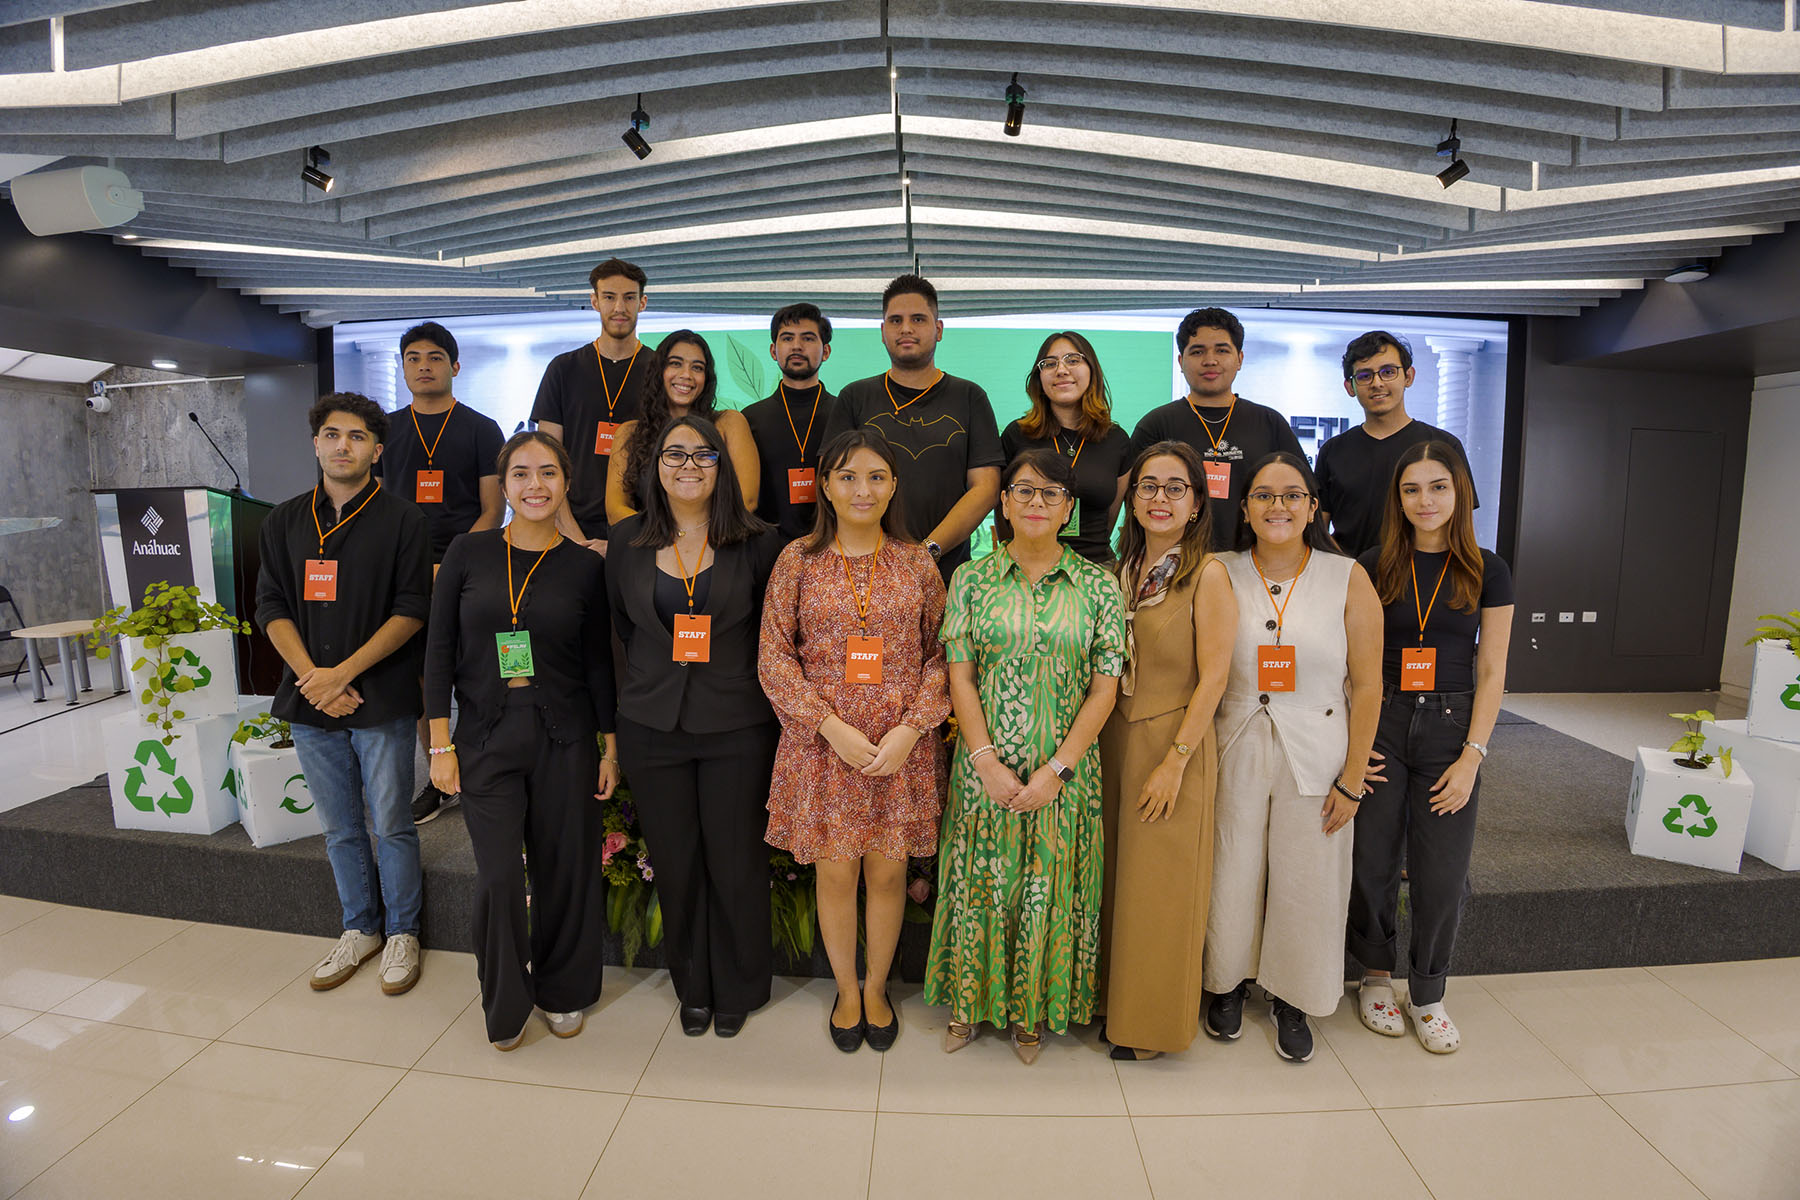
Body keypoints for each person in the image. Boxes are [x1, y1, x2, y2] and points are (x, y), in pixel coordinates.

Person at [926, 449, 1127, 1064]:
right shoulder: (971, 580)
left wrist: (1056, 770)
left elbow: (1105, 688)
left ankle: (1033, 1010)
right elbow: (960, 675)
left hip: (1065, 775)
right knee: (980, 882)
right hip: (984, 768)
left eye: (1051, 493)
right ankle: (968, 1003)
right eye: (1023, 491)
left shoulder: (1098, 585)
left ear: (1069, 509)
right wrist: (985, 761)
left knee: (1048, 886)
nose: (1036, 502)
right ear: (1004, 504)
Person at [423, 431, 619, 1050]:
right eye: (521, 474)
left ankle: (563, 989)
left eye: (548, 473)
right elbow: (438, 651)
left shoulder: (586, 566)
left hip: (565, 737)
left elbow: (598, 664)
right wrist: (439, 744)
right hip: (484, 735)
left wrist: (610, 747)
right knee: (499, 876)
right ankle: (506, 1000)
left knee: (567, 869)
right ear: (504, 485)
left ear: (567, 483)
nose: (536, 485)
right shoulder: (468, 551)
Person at [759, 429, 949, 1053]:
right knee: (836, 876)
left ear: (893, 486)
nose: (861, 489)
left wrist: (911, 728)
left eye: (875, 476)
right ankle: (846, 989)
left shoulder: (917, 563)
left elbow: (944, 655)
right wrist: (828, 726)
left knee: (889, 877)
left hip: (899, 751)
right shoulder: (797, 560)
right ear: (826, 487)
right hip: (823, 748)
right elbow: (773, 658)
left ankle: (876, 988)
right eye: (847, 477)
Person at [606, 414, 784, 1038]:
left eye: (703, 454)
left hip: (736, 727)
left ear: (722, 465)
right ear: (655, 467)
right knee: (676, 862)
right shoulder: (626, 541)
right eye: (674, 454)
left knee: (735, 862)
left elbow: (775, 638)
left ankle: (740, 984)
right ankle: (694, 984)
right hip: (652, 727)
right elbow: (623, 631)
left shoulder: (759, 543)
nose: (688, 465)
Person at [1203, 452, 1382, 1063]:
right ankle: (1226, 982)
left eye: (1291, 495)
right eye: (1263, 495)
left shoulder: (1347, 576)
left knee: (1309, 877)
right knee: (1231, 866)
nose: (1277, 506)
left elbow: (1368, 685)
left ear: (1312, 508)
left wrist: (1353, 778)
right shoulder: (1220, 570)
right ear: (1244, 508)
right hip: (1236, 739)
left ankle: (1293, 996)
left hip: (1319, 748)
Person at [254, 393, 432, 998]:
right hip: (310, 699)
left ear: (376, 451)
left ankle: (403, 931)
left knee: (393, 822)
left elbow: (412, 610)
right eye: (332, 435)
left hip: (379, 696)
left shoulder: (403, 520)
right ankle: (360, 927)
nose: (342, 446)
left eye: (357, 437)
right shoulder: (283, 521)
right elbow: (271, 605)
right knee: (338, 828)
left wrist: (343, 673)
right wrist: (315, 677)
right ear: (316, 444)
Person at [1348, 440, 1513, 1054]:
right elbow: (1352, 661)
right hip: (1384, 721)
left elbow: (1492, 669)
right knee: (1372, 859)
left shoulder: (1488, 569)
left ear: (1460, 491)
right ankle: (1374, 977)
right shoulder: (1372, 565)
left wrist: (1473, 755)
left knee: (1442, 870)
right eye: (1412, 488)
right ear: (1398, 498)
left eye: (1438, 486)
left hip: (1452, 727)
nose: (1425, 500)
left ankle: (1428, 993)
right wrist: (1355, 741)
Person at [1098, 442, 1236, 1060]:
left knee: (1161, 891)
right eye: (1148, 486)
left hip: (1171, 744)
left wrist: (1177, 761)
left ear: (1196, 503)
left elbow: (1216, 677)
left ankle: (1151, 1027)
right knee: (1115, 882)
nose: (1160, 498)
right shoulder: (1118, 571)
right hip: (1113, 739)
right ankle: (1108, 1003)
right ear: (1131, 499)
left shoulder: (1207, 574)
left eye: (1175, 488)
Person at [378, 320, 506, 826]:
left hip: (469, 567)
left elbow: (492, 510)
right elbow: (376, 508)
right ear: (402, 368)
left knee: (476, 671)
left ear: (454, 366)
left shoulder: (481, 428)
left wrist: (450, 565)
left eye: (434, 357)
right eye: (412, 358)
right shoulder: (386, 430)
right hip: (403, 571)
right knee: (419, 678)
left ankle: (483, 766)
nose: (423, 366)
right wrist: (412, 567)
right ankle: (437, 776)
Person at [821, 274, 1003, 580]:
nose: (906, 328)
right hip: (865, 572)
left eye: (918, 319)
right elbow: (835, 482)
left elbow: (985, 488)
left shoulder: (969, 396)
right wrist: (881, 557)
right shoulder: (855, 397)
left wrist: (927, 553)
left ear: (938, 329)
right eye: (895, 320)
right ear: (883, 332)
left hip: (946, 573)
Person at [1125, 307, 1305, 551]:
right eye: (1197, 351)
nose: (1210, 360)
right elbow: (1134, 500)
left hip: (1254, 560)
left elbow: (1301, 496)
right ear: (1181, 361)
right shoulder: (1156, 424)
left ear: (1240, 359)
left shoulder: (1269, 422)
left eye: (1222, 350)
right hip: (1174, 560)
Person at [1315, 331, 1479, 557]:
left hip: (1420, 575)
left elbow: (1461, 524)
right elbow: (1318, 531)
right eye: (1364, 376)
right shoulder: (1333, 451)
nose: (1377, 383)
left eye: (1388, 372)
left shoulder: (1444, 445)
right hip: (1347, 573)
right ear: (1350, 387)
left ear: (1408, 376)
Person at [530, 257, 655, 552]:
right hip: (569, 531)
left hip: (642, 535)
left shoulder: (660, 371)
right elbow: (546, 460)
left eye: (629, 298)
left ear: (642, 303)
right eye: (609, 297)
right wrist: (575, 539)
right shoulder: (563, 369)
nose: (619, 308)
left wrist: (630, 545)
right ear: (595, 302)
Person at [1001, 331, 1131, 565]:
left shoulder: (1117, 440)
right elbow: (1003, 512)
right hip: (1025, 568)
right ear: (1039, 378)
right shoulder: (1016, 435)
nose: (1061, 370)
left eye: (1073, 360)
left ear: (1092, 370)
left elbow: (1111, 517)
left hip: (1096, 567)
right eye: (1049, 363)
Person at [604, 331, 759, 525]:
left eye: (697, 367)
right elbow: (615, 509)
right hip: (649, 540)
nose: (686, 375)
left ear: (706, 377)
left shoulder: (729, 423)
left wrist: (695, 535)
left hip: (719, 538)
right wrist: (667, 536)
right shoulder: (629, 433)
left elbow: (747, 500)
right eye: (675, 364)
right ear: (659, 371)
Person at [743, 303, 841, 541]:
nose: (797, 346)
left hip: (835, 547)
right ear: (773, 351)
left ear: (826, 351)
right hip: (765, 548)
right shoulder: (749, 419)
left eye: (808, 338)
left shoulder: (845, 414)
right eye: (787, 338)